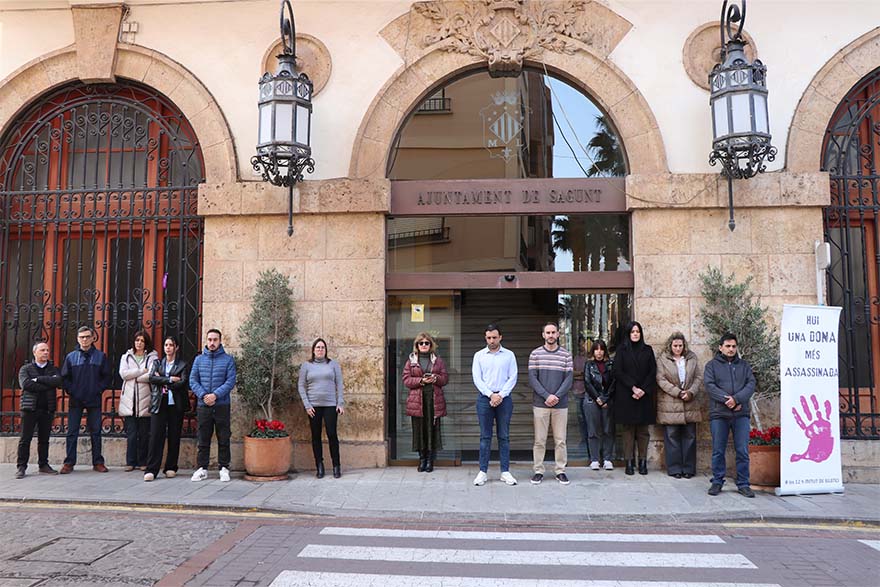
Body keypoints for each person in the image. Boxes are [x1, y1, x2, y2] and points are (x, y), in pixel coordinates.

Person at [704, 333, 757, 498]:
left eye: (734, 346)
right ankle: (717, 481)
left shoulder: (744, 366)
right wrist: (727, 400)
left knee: (742, 450)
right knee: (718, 450)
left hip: (741, 414)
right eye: (727, 346)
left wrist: (737, 399)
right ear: (720, 348)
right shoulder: (711, 366)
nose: (731, 349)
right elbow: (709, 385)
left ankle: (743, 484)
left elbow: (751, 384)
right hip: (719, 414)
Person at [471, 324, 518, 487]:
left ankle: (505, 471)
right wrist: (491, 395)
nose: (491, 340)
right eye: (489, 338)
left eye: (494, 337)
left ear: (500, 337)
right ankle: (482, 472)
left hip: (504, 399)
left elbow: (513, 377)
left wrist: (500, 395)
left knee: (504, 436)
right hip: (485, 399)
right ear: (486, 338)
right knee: (485, 436)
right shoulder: (479, 356)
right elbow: (477, 379)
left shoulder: (509, 355)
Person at [60, 326, 111, 474]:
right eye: (82, 337)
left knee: (96, 431)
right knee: (72, 432)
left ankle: (98, 462)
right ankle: (69, 462)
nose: (85, 339)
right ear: (77, 338)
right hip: (76, 400)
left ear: (93, 338)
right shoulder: (71, 357)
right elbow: (64, 378)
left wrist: (98, 390)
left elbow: (106, 377)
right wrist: (72, 391)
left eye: (87, 336)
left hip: (94, 399)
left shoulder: (101, 356)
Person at [528, 322, 573, 485]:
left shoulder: (566, 355)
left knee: (560, 440)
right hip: (540, 404)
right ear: (543, 335)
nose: (551, 335)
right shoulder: (535, 354)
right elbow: (532, 378)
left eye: (553, 332)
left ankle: (560, 470)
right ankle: (538, 470)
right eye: (548, 332)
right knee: (539, 440)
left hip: (560, 405)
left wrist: (556, 396)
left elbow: (568, 379)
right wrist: (547, 396)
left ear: (558, 334)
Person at [190, 328, 236, 482]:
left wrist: (215, 395)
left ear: (220, 341)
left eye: (215, 340)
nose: (212, 343)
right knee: (203, 437)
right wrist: (204, 395)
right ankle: (202, 468)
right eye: (209, 340)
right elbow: (193, 380)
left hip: (222, 404)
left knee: (224, 437)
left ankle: (224, 468)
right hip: (204, 405)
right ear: (206, 341)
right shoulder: (198, 360)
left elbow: (230, 381)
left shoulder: (228, 360)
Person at [656, 332, 703, 479]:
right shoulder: (663, 359)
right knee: (671, 436)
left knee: (690, 436)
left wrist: (691, 392)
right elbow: (660, 379)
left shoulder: (692, 358)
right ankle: (675, 468)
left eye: (680, 346)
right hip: (670, 403)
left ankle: (689, 468)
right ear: (670, 345)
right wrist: (677, 392)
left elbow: (698, 377)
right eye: (675, 346)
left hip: (689, 402)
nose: (678, 348)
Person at [613, 321, 656, 476]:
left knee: (643, 431)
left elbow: (653, 372)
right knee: (628, 430)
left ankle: (643, 462)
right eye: (632, 332)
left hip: (644, 396)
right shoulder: (622, 350)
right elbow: (618, 371)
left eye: (638, 331)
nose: (635, 334)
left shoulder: (648, 350)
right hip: (627, 395)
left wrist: (643, 389)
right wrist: (633, 387)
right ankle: (629, 462)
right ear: (628, 334)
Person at [144, 336, 189, 482]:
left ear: (176, 347)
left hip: (175, 404)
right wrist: (169, 379)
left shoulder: (182, 364)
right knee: (155, 436)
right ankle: (152, 469)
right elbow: (151, 378)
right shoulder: (157, 363)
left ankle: (171, 467)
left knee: (174, 436)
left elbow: (182, 382)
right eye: (166, 345)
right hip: (159, 403)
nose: (168, 347)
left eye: (171, 345)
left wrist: (161, 379)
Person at [298, 338, 345, 479]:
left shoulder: (333, 365)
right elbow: (301, 386)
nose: (320, 350)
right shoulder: (306, 366)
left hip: (330, 405)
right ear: (313, 350)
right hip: (313, 407)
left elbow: (340, 384)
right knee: (316, 436)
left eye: (322, 347)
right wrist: (307, 405)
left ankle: (336, 465)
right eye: (318, 347)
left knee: (332, 435)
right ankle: (319, 466)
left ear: (326, 350)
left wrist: (340, 403)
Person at [402, 332, 448, 473]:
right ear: (417, 345)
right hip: (418, 401)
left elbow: (445, 379)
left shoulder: (438, 361)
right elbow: (406, 380)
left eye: (426, 343)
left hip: (433, 400)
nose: (423, 345)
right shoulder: (411, 361)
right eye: (421, 343)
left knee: (432, 430)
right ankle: (422, 459)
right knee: (419, 430)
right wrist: (421, 381)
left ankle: (430, 461)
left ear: (430, 345)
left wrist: (435, 379)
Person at [16, 342, 63, 478]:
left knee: (44, 439)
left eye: (47, 350)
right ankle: (21, 467)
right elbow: (26, 384)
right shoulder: (25, 369)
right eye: (42, 350)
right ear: (35, 352)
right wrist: (47, 384)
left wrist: (38, 379)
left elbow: (58, 382)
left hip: (47, 408)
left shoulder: (53, 369)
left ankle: (43, 465)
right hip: (29, 409)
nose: (46, 353)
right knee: (25, 439)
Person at [118, 330, 158, 471]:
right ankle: (130, 462)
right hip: (129, 400)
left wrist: (134, 376)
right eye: (137, 340)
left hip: (145, 398)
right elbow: (123, 374)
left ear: (146, 342)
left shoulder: (152, 356)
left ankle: (143, 462)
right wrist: (142, 371)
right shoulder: (126, 356)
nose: (139, 343)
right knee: (132, 433)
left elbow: (151, 375)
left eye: (142, 340)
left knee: (144, 433)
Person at [584, 339, 615, 471]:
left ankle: (607, 458)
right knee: (593, 430)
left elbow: (614, 382)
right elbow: (587, 382)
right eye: (596, 349)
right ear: (593, 351)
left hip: (608, 401)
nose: (599, 352)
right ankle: (595, 459)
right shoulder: (588, 364)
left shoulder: (610, 364)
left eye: (601, 349)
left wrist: (605, 398)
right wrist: (597, 398)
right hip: (592, 400)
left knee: (608, 430)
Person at [571, 336, 591, 462]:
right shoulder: (576, 358)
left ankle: (590, 441)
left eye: (584, 344)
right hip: (577, 390)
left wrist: (581, 374)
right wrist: (582, 374)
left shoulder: (590, 358)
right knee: (580, 417)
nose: (582, 346)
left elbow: (589, 373)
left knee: (589, 417)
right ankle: (584, 439)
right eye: (580, 344)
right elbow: (572, 373)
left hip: (589, 391)